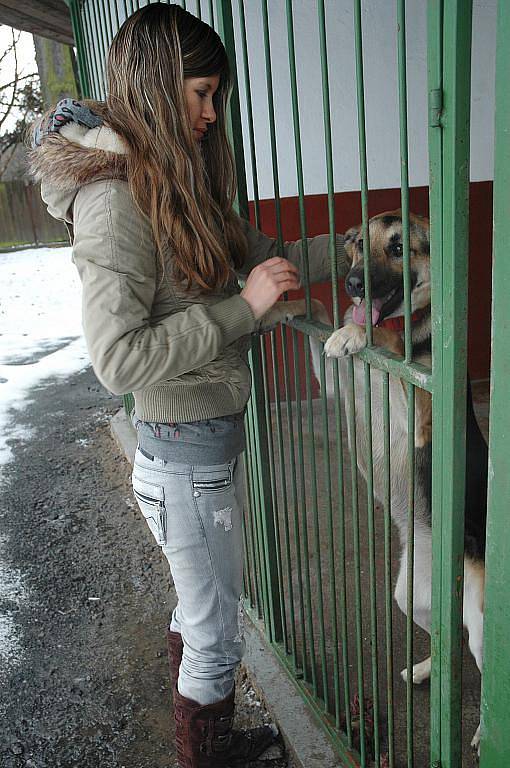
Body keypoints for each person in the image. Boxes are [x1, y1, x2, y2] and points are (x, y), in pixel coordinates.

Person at [30, 4, 349, 766]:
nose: (212, 113)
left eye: (217, 96)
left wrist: (356, 247)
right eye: (200, 93)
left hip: (198, 452)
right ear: (153, 85)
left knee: (200, 612)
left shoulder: (173, 184)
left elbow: (268, 257)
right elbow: (118, 360)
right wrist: (245, 309)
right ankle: (208, 756)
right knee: (216, 631)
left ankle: (214, 744)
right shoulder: (114, 204)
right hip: (182, 459)